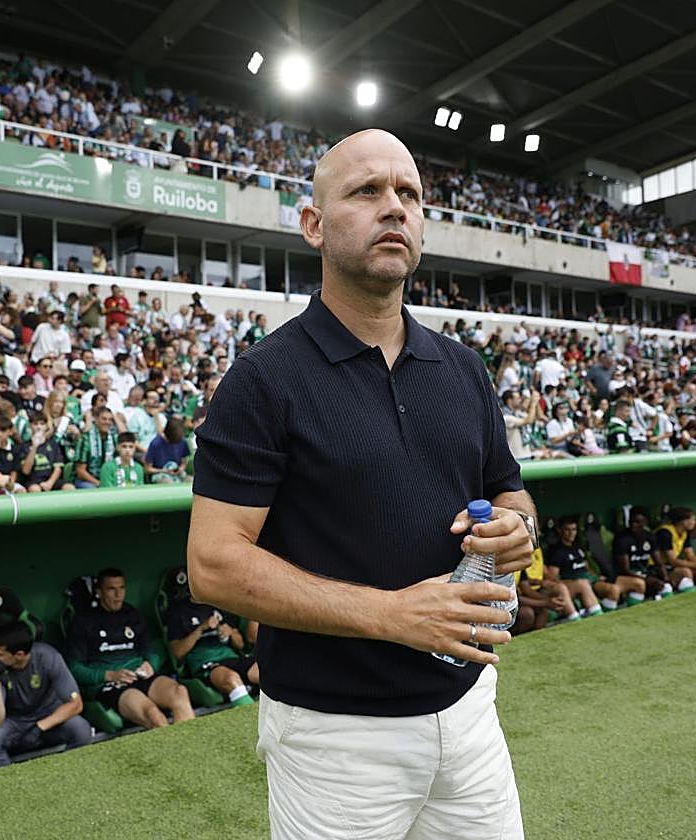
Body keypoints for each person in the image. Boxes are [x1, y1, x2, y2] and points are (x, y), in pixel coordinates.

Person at [188, 129, 532, 838]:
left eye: (408, 194)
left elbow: (510, 492)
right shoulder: (264, 379)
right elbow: (213, 564)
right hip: (334, 735)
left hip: (469, 712)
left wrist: (516, 528)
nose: (394, 208)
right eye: (367, 191)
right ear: (313, 225)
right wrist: (391, 615)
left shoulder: (463, 369)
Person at [66, 568, 194, 729]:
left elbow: (151, 650)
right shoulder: (83, 622)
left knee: (180, 692)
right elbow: (74, 669)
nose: (118, 595)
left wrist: (150, 664)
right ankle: (175, 752)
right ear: (99, 592)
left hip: (139, 674)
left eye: (122, 588)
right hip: (112, 684)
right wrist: (109, 675)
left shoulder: (132, 615)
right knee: (152, 713)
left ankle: (192, 748)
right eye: (111, 589)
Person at [0, 620, 91, 768]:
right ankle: (10, 784)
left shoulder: (48, 657)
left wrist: (40, 727)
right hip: (15, 721)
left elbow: (76, 704)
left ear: (19, 655)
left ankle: (68, 771)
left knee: (81, 729)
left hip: (48, 715)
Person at [166, 591, 258, 707]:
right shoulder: (179, 611)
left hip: (231, 658)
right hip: (205, 664)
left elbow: (240, 645)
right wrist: (201, 629)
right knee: (231, 679)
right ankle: (250, 719)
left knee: (261, 672)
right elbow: (177, 653)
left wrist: (230, 633)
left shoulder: (218, 603)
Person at [542, 516, 605, 617]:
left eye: (574, 529)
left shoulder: (577, 547)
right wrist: (569, 584)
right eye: (567, 530)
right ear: (560, 530)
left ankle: (598, 612)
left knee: (612, 589)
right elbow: (552, 576)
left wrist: (596, 577)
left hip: (587, 580)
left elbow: (586, 567)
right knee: (583, 584)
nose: (571, 533)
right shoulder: (557, 552)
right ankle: (595, 616)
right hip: (571, 584)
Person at [613, 507, 674, 600]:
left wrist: (666, 579)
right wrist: (646, 580)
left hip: (646, 572)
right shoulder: (622, 539)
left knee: (667, 588)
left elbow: (658, 563)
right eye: (631, 521)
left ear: (645, 522)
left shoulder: (650, 537)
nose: (633, 525)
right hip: (628, 576)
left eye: (637, 522)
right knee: (641, 584)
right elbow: (625, 570)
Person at [653, 507, 696, 590]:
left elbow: (690, 556)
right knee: (685, 572)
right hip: (659, 568)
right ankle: (690, 595)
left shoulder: (685, 533)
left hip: (671, 567)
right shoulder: (665, 533)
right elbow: (673, 561)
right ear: (684, 522)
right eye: (692, 520)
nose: (694, 522)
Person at [74, 407, 117, 488]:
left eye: (110, 420)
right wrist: (99, 483)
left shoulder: (114, 438)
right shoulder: (85, 438)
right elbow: (80, 471)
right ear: (96, 419)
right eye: (104, 419)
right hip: (87, 481)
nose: (107, 422)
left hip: (108, 479)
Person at [144, 417, 189, 483]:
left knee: (191, 481)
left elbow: (184, 462)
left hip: (178, 473)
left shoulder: (182, 441)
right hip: (160, 474)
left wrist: (181, 469)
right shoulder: (155, 444)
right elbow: (147, 469)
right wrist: (164, 471)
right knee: (168, 482)